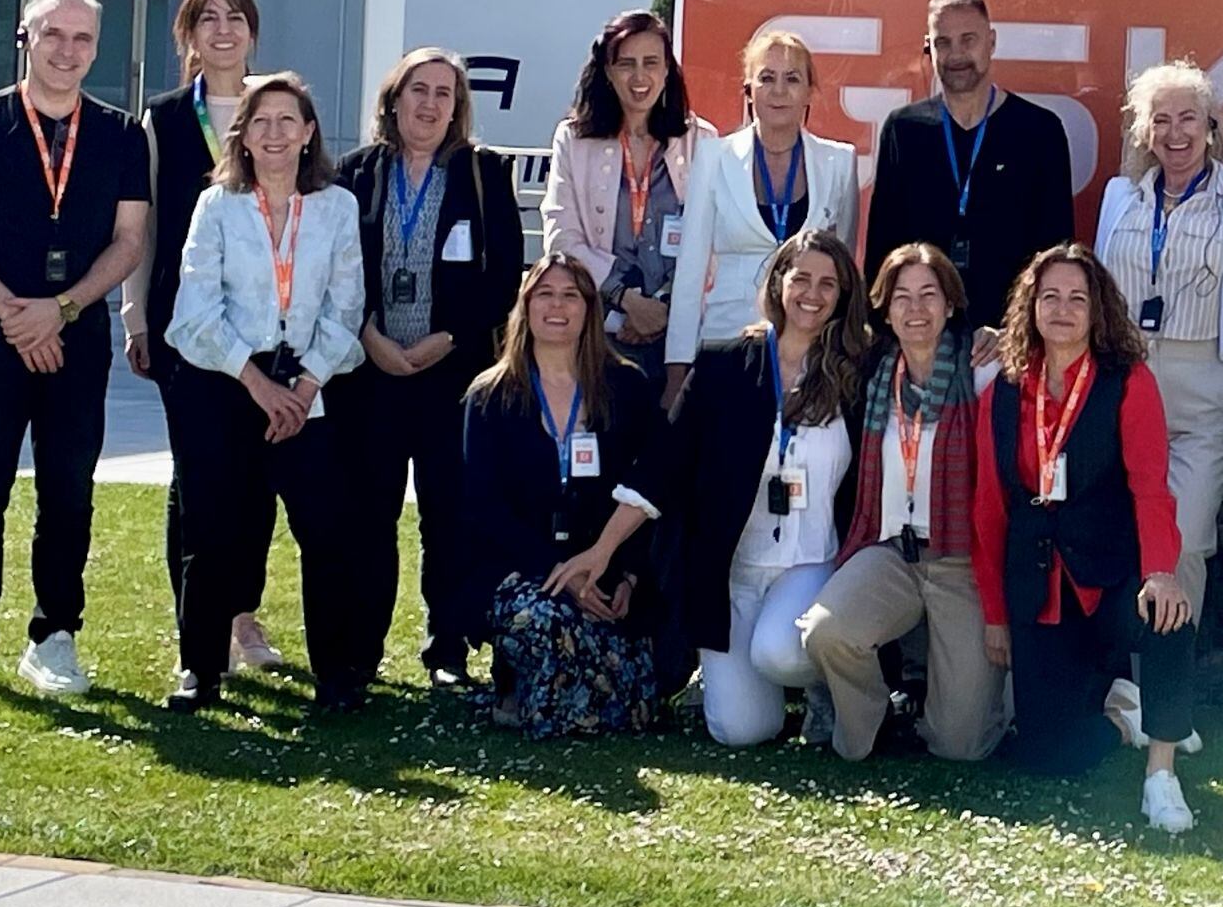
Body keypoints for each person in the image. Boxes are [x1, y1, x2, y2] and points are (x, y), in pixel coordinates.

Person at [0, 0, 150, 700]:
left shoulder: (118, 134)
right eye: (53, 34)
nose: (67, 51)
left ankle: (55, 636)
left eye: (82, 38)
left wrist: (62, 308)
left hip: (76, 336)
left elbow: (129, 240)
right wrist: (12, 312)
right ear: (25, 37)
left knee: (69, 493)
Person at [973, 244, 1200, 832]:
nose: (1064, 309)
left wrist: (1160, 573)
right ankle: (1126, 714)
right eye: (1050, 296)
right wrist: (996, 614)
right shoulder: (1001, 392)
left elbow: (1152, 488)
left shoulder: (1129, 382)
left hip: (1111, 576)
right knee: (1048, 756)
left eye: (1078, 298)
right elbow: (989, 509)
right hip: (1041, 593)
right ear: (1031, 307)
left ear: (1097, 311)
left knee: (1171, 618)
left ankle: (1161, 774)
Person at [162, 73, 369, 712]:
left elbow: (348, 304)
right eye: (261, 122)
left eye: (288, 121)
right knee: (212, 530)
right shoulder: (217, 206)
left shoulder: (336, 206)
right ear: (243, 137)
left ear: (309, 134)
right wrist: (256, 384)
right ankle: (201, 669)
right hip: (227, 386)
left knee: (327, 533)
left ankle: (336, 676)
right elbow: (193, 312)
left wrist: (303, 389)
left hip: (310, 388)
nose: (275, 134)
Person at [627, 231, 868, 747]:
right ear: (778, 283)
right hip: (731, 575)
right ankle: (752, 685)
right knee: (742, 730)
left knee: (777, 653)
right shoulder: (724, 364)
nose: (813, 293)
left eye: (829, 284)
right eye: (801, 277)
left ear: (843, 296)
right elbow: (662, 464)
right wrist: (601, 550)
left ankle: (827, 678)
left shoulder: (857, 374)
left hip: (811, 565)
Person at [336, 48, 526, 688]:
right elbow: (334, 272)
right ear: (393, 100)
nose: (430, 104)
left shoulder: (483, 174)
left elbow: (504, 276)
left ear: (458, 108)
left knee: (448, 515)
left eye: (444, 93)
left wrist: (449, 337)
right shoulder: (353, 175)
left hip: (453, 375)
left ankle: (447, 649)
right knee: (367, 515)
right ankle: (361, 649)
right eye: (418, 90)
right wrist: (368, 337)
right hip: (371, 373)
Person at [123, 0, 282, 679]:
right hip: (183, 326)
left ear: (252, 32)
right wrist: (134, 318)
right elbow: (144, 225)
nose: (222, 29)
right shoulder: (160, 118)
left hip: (268, 330)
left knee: (256, 478)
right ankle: (201, 627)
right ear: (188, 35)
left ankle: (242, 614)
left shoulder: (278, 106)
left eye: (235, 17)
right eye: (206, 18)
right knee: (198, 477)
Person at [1094, 60, 1223, 637]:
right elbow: (1098, 291)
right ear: (1144, 132)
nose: (1176, 134)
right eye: (1161, 120)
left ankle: (1166, 699)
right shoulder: (1119, 196)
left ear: (1211, 127)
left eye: (1189, 119)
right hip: (1126, 380)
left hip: (1204, 385)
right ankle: (1125, 686)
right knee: (1123, 531)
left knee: (1187, 539)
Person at [801, 244, 1007, 763]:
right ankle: (873, 721)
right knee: (826, 632)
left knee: (959, 745)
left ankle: (1003, 702)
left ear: (951, 304)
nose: (916, 310)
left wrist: (1000, 339)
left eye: (928, 295)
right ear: (885, 310)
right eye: (902, 297)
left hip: (961, 559)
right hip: (891, 550)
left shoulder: (982, 372)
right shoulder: (872, 375)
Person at [457, 255, 666, 739]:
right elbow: (483, 509)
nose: (558, 306)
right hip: (519, 570)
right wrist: (560, 574)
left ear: (590, 310)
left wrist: (629, 575)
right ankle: (537, 686)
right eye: (545, 294)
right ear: (525, 308)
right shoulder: (489, 396)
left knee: (637, 678)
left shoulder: (627, 387)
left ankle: (544, 692)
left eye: (571, 295)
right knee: (546, 619)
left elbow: (647, 493)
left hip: (604, 569)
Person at [862, 0, 1077, 331]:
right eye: (943, 42)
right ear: (928, 47)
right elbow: (883, 250)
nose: (956, 54)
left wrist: (1017, 333)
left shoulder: (1039, 131)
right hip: (922, 339)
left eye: (968, 40)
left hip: (1009, 343)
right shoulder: (903, 129)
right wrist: (883, 336)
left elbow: (1054, 253)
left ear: (991, 41)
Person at [668, 27, 859, 395]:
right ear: (748, 89)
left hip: (811, 354)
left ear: (809, 91)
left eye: (792, 79)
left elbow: (843, 271)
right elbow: (690, 269)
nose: (779, 91)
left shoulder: (839, 162)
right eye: (767, 78)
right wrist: (678, 365)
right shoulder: (713, 158)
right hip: (728, 342)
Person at [542, 11, 715, 378]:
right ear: (607, 71)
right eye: (626, 64)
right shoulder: (574, 140)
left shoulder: (701, 140)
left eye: (651, 63)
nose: (640, 77)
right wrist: (625, 300)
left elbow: (714, 240)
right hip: (600, 333)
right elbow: (562, 238)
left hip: (682, 336)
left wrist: (662, 308)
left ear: (667, 69)